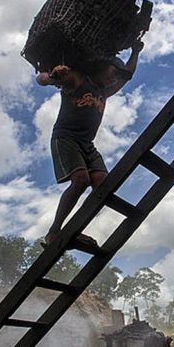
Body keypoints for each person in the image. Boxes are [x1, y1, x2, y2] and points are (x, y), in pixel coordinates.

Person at [37, 41, 143, 247]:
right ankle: (53, 233)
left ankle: (75, 231)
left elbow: (127, 74)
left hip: (87, 143)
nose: (114, 77)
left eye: (116, 74)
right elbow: (41, 79)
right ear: (102, 68)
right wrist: (52, 76)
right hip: (66, 138)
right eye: (113, 71)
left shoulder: (105, 91)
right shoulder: (77, 80)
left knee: (104, 186)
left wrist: (135, 52)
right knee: (80, 180)